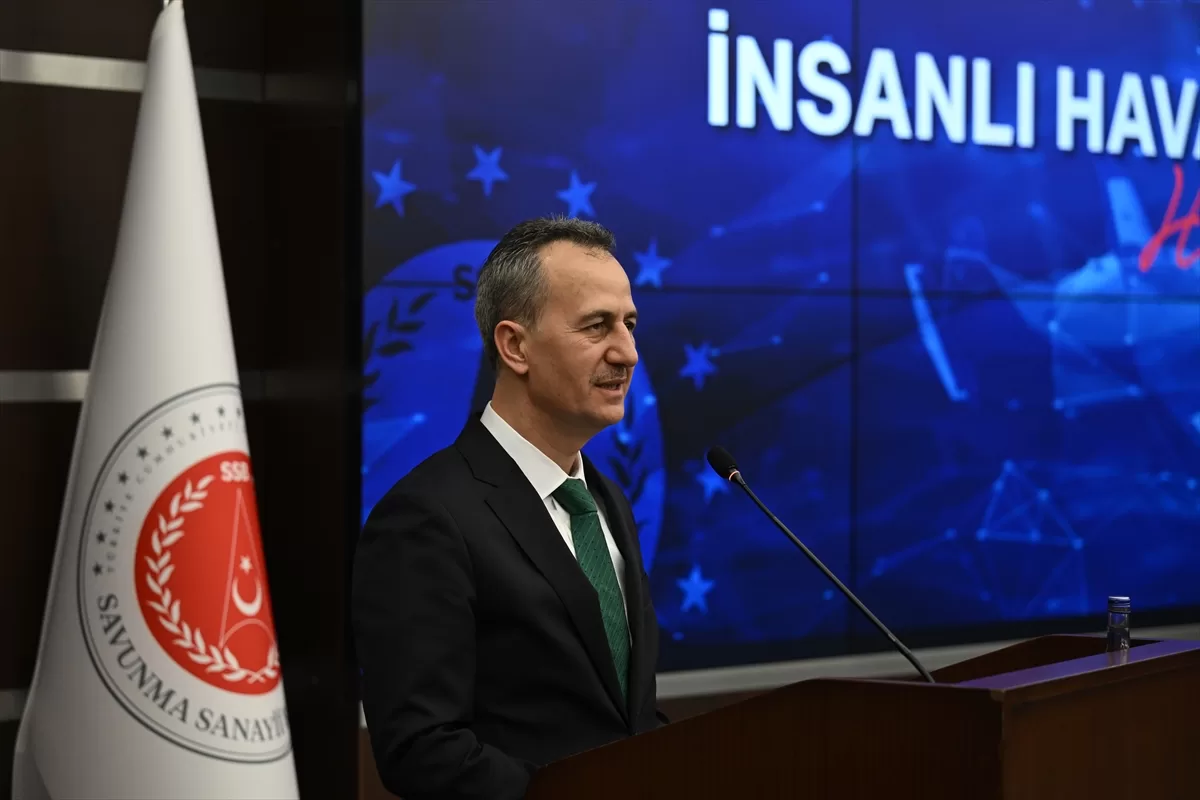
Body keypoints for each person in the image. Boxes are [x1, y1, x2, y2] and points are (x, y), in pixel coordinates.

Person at [353, 217, 667, 800]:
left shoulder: (609, 501)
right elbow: (420, 748)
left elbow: (627, 718)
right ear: (515, 346)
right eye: (596, 326)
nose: (627, 352)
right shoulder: (426, 517)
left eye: (629, 324)